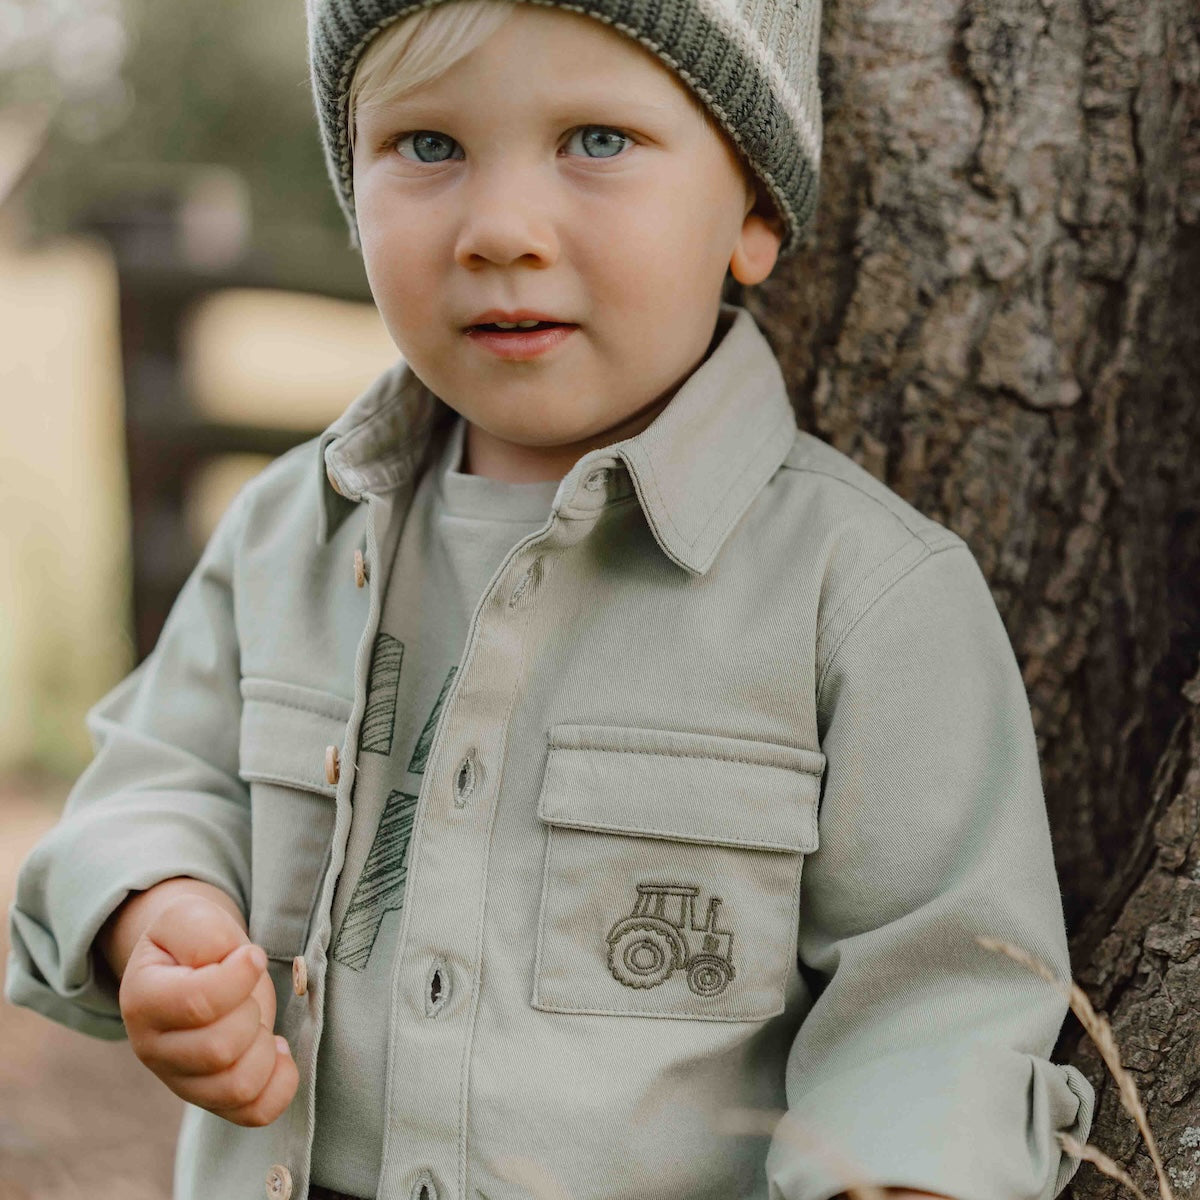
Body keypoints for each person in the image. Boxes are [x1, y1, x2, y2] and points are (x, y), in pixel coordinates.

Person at [5, 0, 1096, 1198]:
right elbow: (159, 772)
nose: (502, 230)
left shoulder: (867, 596)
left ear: (754, 208)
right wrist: (155, 914)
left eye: (596, 140)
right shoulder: (288, 530)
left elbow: (942, 993)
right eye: (427, 147)